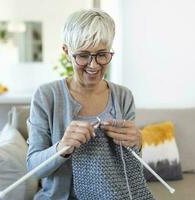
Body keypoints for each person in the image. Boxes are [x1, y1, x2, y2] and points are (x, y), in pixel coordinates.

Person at [27, 9, 154, 200]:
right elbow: (33, 168)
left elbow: (130, 166)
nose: (93, 65)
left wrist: (137, 142)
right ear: (66, 51)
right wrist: (62, 147)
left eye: (102, 54)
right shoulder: (46, 96)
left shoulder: (123, 96)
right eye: (83, 55)